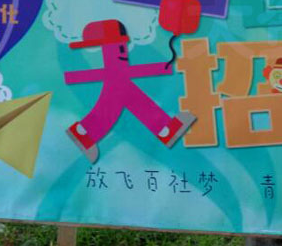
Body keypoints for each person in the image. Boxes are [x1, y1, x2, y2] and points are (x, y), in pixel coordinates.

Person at [64, 19, 196, 162]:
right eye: (120, 45)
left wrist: (163, 68)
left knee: (132, 102)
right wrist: (162, 68)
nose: (123, 50)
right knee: (113, 110)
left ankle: (166, 130)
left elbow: (124, 70)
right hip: (117, 85)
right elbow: (126, 70)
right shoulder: (115, 64)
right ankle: (82, 134)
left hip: (120, 85)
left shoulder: (116, 65)